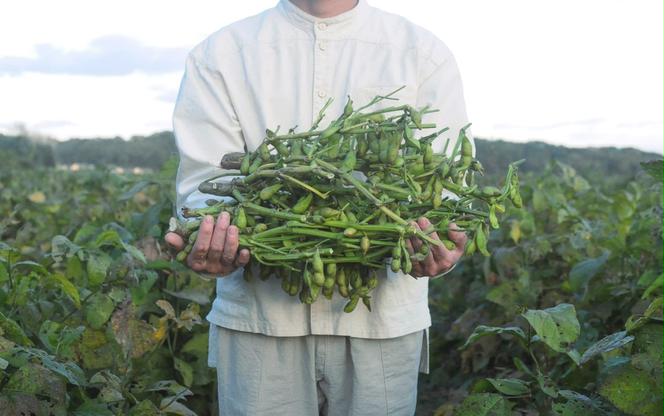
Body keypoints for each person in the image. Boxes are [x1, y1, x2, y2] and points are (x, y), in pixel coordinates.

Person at [164, 0, 471, 414]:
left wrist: (443, 243)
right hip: (260, 322)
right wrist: (212, 237)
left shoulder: (421, 53)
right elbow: (204, 188)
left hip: (382, 322)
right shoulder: (221, 54)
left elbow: (446, 191)